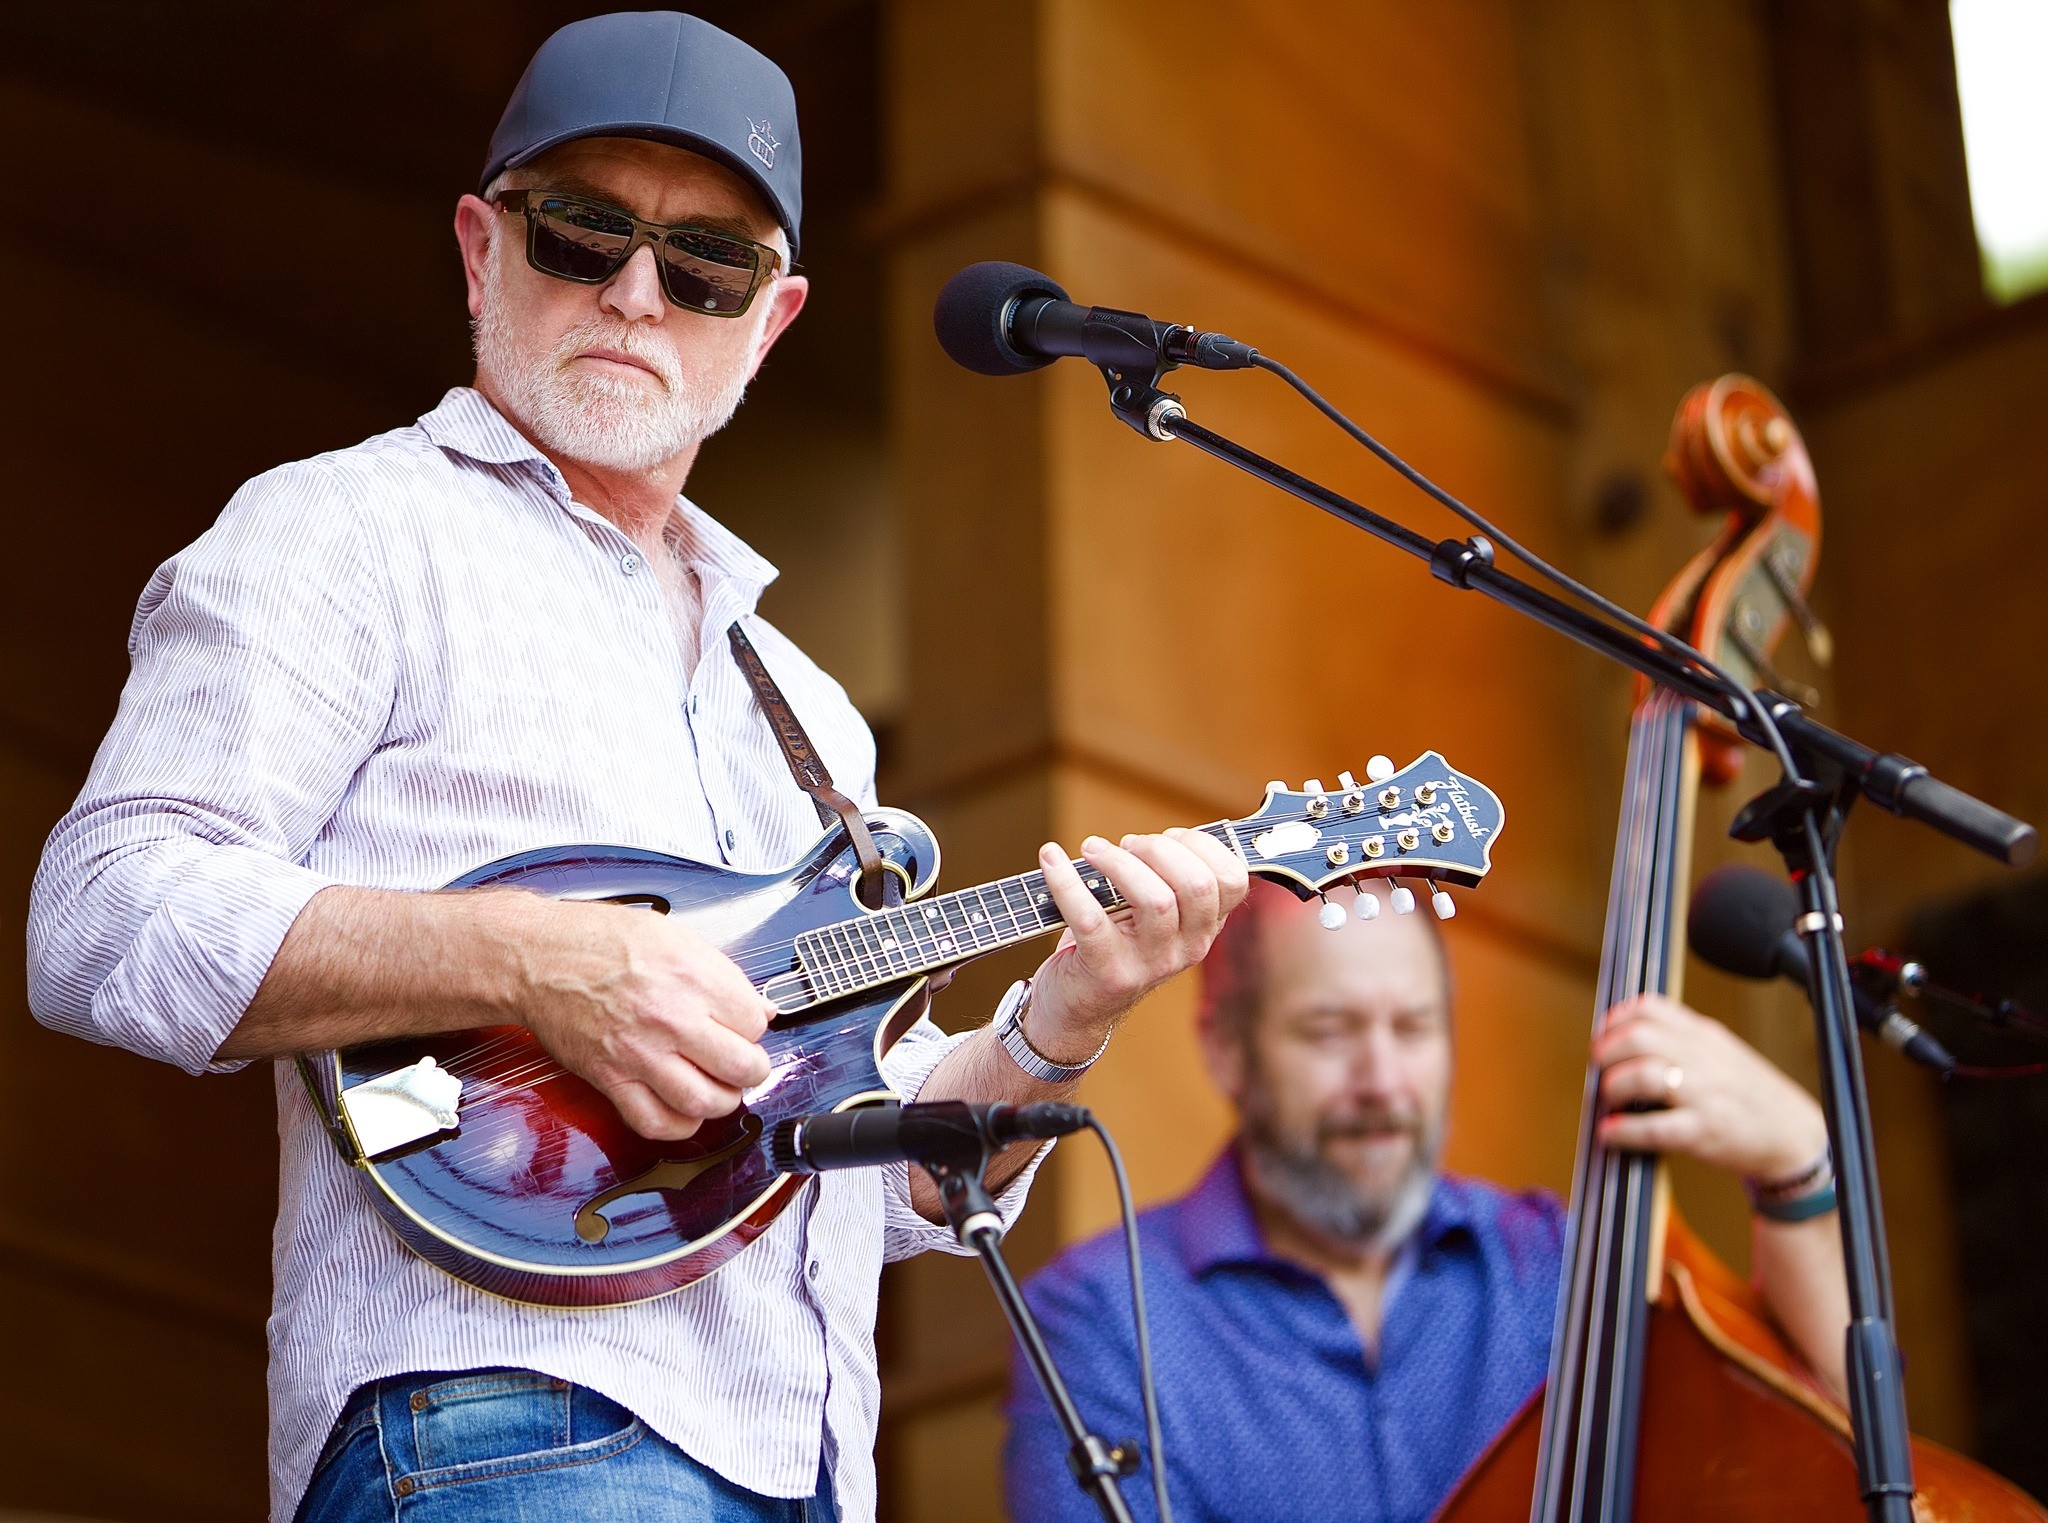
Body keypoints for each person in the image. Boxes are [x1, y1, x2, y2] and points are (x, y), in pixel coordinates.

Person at [25, 14, 1247, 1523]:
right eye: (580, 234)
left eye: (705, 266)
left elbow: (847, 1172)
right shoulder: (345, 531)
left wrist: (1067, 1014)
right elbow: (104, 909)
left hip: (803, 1469)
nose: (635, 293)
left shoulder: (802, 709)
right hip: (495, 1422)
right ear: (481, 250)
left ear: (772, 318)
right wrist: (544, 963)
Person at [1004, 878, 1851, 1523]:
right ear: (1226, 1047)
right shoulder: (1100, 1317)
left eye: (1412, 1028)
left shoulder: (1561, 1265)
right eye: (1329, 1031)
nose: (1382, 1082)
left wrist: (1798, 1169)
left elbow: (1836, 1440)